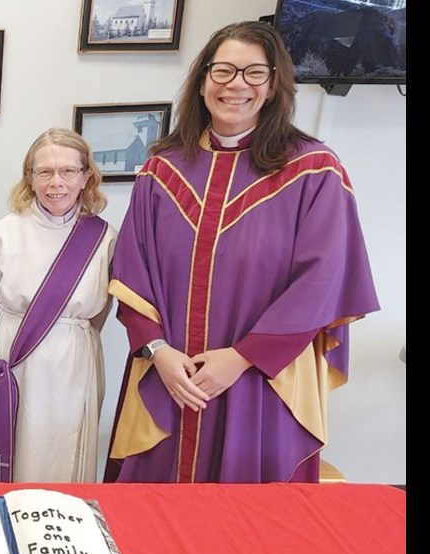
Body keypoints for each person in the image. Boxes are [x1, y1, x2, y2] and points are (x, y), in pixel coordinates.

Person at [103, 21, 380, 483]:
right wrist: (158, 352)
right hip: (170, 377)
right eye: (223, 71)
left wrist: (241, 357)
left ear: (274, 86)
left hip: (261, 380)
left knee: (248, 524)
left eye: (254, 73)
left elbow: (324, 278)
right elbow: (132, 272)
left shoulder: (312, 171)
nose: (236, 85)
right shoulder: (161, 172)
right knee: (153, 523)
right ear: (202, 81)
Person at [0, 128, 115, 483]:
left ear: (86, 175)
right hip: (9, 360)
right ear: (29, 177)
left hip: (70, 363)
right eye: (44, 172)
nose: (56, 183)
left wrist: (62, 337)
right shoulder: (2, 234)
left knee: (58, 459)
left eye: (68, 171)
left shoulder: (104, 239)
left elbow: (97, 314)